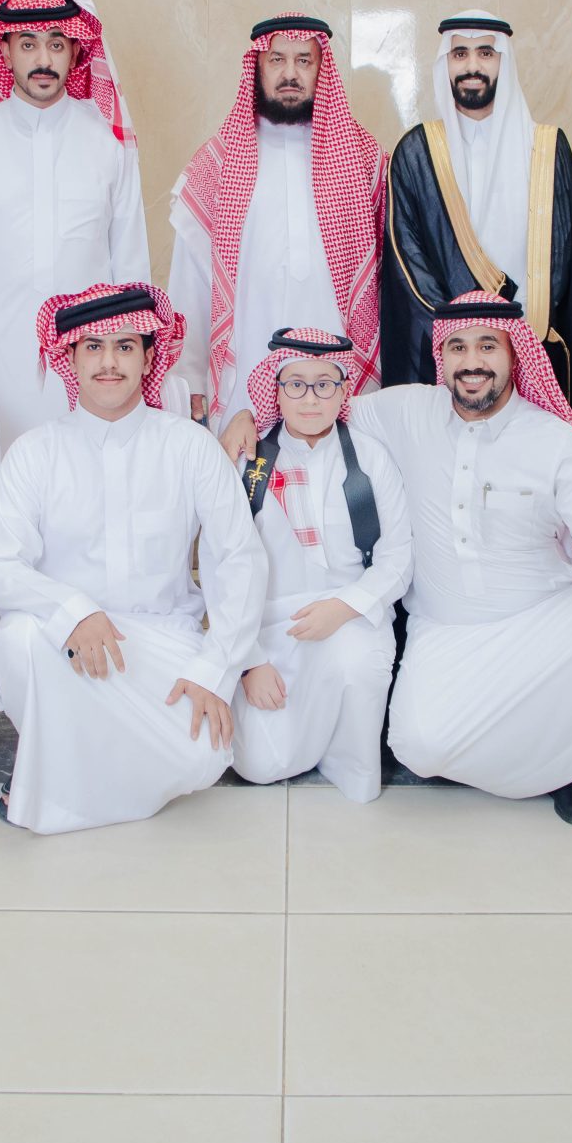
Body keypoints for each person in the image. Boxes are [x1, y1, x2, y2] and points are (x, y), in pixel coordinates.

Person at [353, 293, 572, 825]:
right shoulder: (405, 411)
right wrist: (249, 414)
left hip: (545, 621)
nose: (471, 362)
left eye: (487, 346)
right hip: (447, 630)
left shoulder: (556, 442)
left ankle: (568, 768)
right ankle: (537, 754)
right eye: (457, 347)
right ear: (441, 357)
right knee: (418, 748)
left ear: (515, 354)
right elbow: (323, 402)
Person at [0, 283, 268, 833]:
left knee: (203, 756)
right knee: (17, 639)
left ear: (149, 358)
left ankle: (58, 767)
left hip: (162, 642)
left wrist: (216, 668)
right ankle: (72, 774)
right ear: (70, 359)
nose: (108, 362)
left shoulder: (189, 446)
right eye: (93, 347)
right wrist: (73, 610)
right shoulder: (35, 452)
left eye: (125, 347)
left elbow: (239, 560)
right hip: (66, 644)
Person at [0, 0, 148, 445]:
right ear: (4, 52)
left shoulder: (108, 145)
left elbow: (132, 270)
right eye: (28, 45)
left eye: (56, 44)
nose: (43, 59)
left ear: (75, 52)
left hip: (89, 367)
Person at [378, 10, 572, 440]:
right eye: (459, 53)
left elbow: (568, 260)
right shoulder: (417, 151)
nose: (472, 65)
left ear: (505, 61)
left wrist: (516, 339)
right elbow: (408, 264)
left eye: (486, 53)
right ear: (445, 64)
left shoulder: (548, 148)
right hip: (451, 361)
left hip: (534, 351)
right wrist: (472, 344)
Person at [166, 14, 384, 453]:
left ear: (321, 69)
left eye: (304, 60)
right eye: (277, 59)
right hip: (243, 372)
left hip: (336, 377)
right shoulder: (218, 163)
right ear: (258, 67)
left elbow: (384, 283)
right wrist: (189, 380)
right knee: (244, 485)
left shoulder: (363, 159)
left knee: (339, 482)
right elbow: (190, 284)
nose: (290, 73)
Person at [228, 330, 412, 801]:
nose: (310, 399)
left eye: (324, 384)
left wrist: (343, 607)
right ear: (275, 390)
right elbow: (224, 567)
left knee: (357, 665)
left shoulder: (369, 458)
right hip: (268, 628)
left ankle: (345, 760)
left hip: (351, 617)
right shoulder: (249, 464)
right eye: (296, 385)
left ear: (344, 390)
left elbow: (397, 557)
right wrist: (250, 661)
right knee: (258, 765)